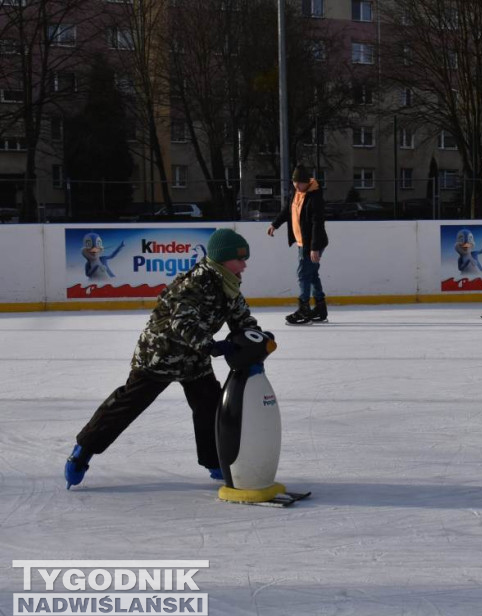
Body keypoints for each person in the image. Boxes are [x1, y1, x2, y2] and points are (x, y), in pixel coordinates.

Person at [65, 228, 267, 488]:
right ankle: (83, 450)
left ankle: (215, 462)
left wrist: (255, 335)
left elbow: (241, 316)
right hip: (160, 355)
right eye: (239, 259)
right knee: (127, 405)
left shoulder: (229, 283)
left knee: (210, 407)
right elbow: (181, 321)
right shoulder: (196, 282)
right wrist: (211, 346)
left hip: (193, 360)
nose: (245, 265)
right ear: (222, 259)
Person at [268, 164, 329, 325]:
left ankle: (304, 309)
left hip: (312, 243)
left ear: (306, 182)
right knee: (312, 274)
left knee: (303, 274)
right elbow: (287, 211)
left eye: (299, 184)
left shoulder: (315, 196)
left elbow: (317, 223)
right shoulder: (296, 193)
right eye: (294, 183)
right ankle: (320, 308)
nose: (296, 186)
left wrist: (314, 248)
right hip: (302, 243)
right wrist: (275, 224)